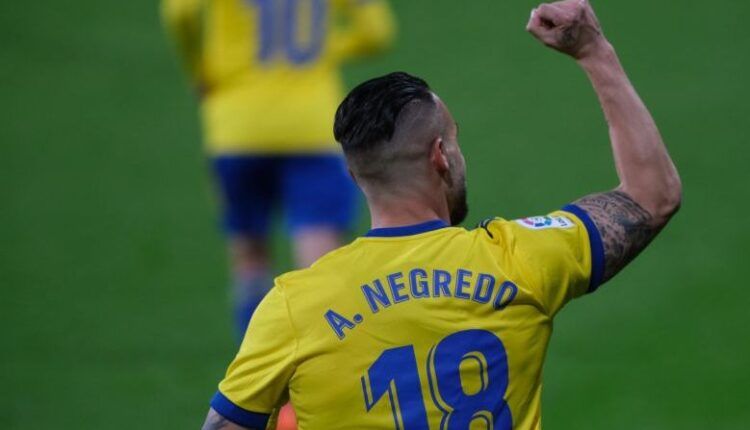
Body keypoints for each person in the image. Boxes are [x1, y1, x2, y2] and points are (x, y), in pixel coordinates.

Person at [201, 0, 682, 428]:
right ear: (440, 157)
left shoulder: (293, 306)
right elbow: (651, 197)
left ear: (354, 177)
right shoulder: (522, 260)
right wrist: (593, 51)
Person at [161, 0, 396, 338]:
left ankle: (256, 372)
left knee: (250, 258)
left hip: (236, 128)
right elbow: (378, 33)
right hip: (312, 128)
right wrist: (327, 50)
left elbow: (180, 12)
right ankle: (321, 367)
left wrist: (199, 68)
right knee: (319, 267)